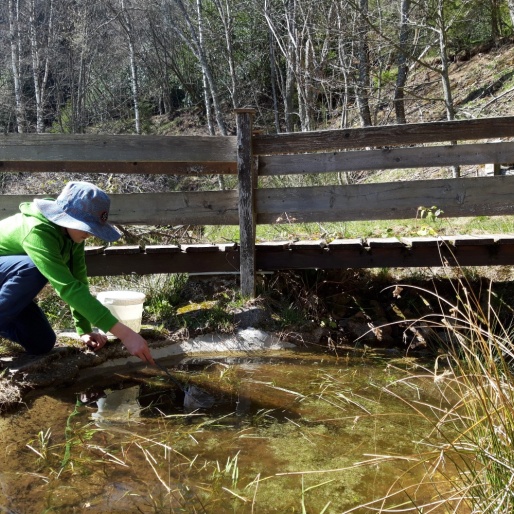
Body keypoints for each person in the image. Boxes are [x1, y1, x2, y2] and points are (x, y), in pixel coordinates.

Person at [0, 181, 155, 365]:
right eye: (87, 227)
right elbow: (67, 287)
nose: (90, 234)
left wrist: (84, 329)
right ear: (66, 217)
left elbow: (78, 280)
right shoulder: (38, 230)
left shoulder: (74, 237)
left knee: (42, 343)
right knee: (33, 268)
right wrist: (125, 334)